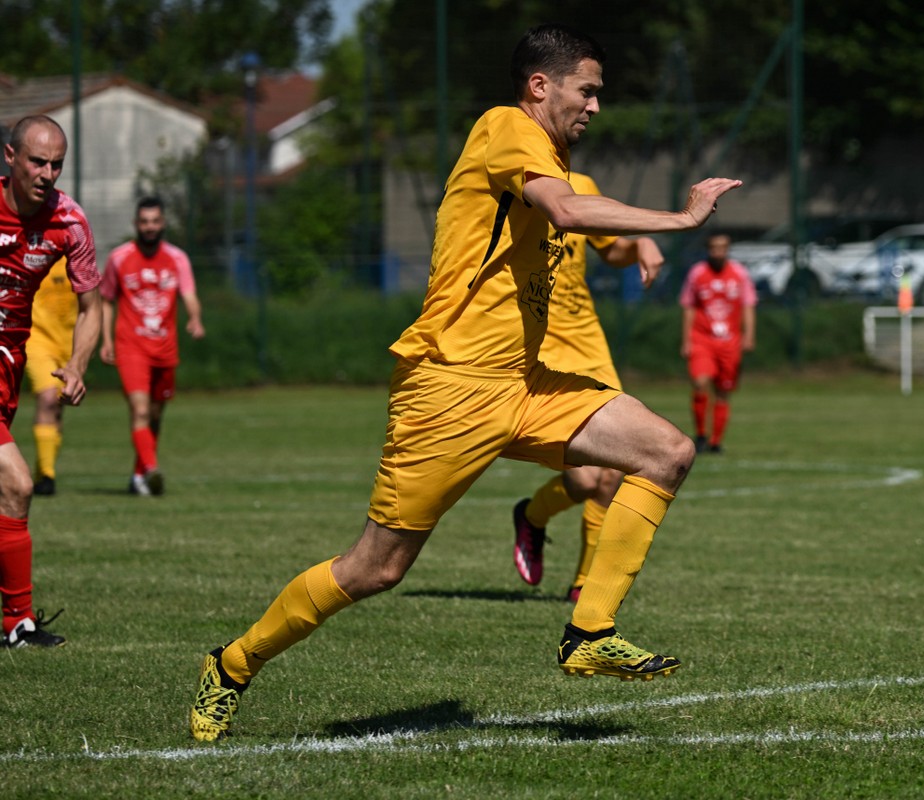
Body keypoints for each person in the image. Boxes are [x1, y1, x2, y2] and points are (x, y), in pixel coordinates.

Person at [188, 22, 741, 742]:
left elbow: (582, 219)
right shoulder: (506, 127)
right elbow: (568, 210)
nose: (596, 106)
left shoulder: (551, 156)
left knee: (666, 451)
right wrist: (681, 217)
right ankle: (232, 663)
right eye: (587, 91)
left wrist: (632, 244)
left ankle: (589, 632)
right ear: (540, 85)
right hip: (449, 388)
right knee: (375, 569)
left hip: (527, 384)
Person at [511, 171, 664, 602]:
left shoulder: (582, 184)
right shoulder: (508, 176)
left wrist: (639, 244)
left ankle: (582, 586)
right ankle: (532, 516)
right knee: (584, 481)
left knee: (614, 468)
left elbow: (610, 248)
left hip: (588, 344)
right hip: (538, 344)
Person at [0, 114, 102, 647]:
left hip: (8, 365)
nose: (47, 173)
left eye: (56, 164)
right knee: (17, 483)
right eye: (37, 161)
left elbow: (92, 306)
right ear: (10, 157)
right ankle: (17, 622)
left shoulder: (69, 221)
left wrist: (78, 364)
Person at [99, 196, 204, 497]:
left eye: (155, 221)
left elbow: (189, 294)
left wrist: (195, 318)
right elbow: (106, 300)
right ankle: (152, 469)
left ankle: (139, 476)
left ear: (163, 223)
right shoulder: (119, 258)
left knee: (155, 416)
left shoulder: (177, 258)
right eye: (144, 222)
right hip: (131, 346)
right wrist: (106, 339)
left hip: (165, 348)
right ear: (136, 224)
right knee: (140, 409)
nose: (150, 227)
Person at [680, 233, 757, 454]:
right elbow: (689, 307)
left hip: (730, 342)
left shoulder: (739, 273)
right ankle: (701, 435)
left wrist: (749, 335)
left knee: (723, 391)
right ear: (708, 249)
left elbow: (748, 305)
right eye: (714, 247)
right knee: (700, 382)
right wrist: (686, 340)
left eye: (722, 247)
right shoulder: (697, 273)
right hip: (702, 339)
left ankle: (715, 442)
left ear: (728, 249)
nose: (718, 252)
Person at [26, 257, 77, 496]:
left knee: (57, 406)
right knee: (48, 398)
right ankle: (47, 475)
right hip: (37, 338)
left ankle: (42, 472)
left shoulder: (76, 256)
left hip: (69, 342)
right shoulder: (33, 254)